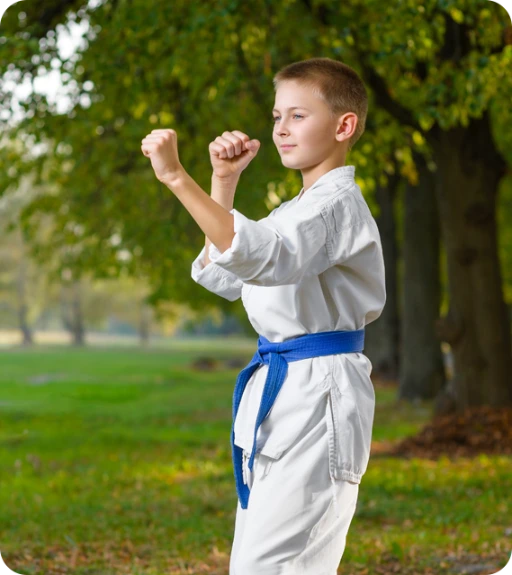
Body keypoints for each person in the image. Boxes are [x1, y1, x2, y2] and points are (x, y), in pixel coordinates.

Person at [142, 57, 386, 575]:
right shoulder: (296, 208)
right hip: (285, 388)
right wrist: (222, 182)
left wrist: (176, 177)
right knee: (259, 561)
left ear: (344, 125)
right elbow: (225, 275)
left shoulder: (334, 206)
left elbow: (259, 255)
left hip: (320, 391)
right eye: (277, 116)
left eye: (298, 116)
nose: (280, 129)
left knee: (278, 565)